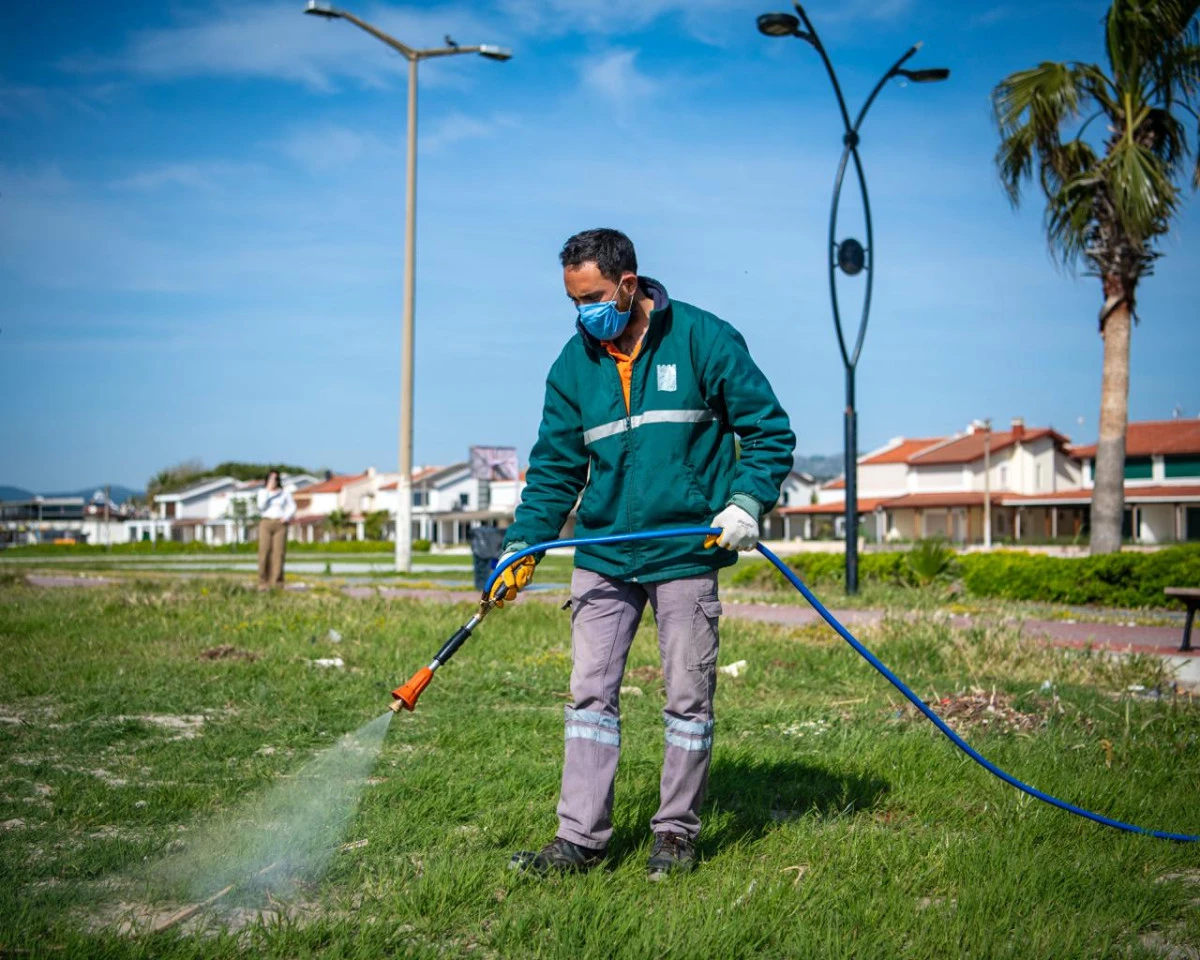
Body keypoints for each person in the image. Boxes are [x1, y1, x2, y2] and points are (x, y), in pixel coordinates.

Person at [497, 228, 795, 880]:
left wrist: (747, 502)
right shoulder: (574, 365)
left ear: (628, 284)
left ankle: (675, 835)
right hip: (603, 555)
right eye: (573, 302)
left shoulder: (702, 339)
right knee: (589, 698)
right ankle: (580, 840)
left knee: (687, 700)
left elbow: (768, 430)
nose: (584, 314)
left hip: (685, 551)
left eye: (593, 298)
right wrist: (524, 543)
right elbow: (554, 470)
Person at [256, 470, 296, 590]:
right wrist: (268, 491)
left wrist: (286, 517)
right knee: (264, 552)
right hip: (266, 522)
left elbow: (292, 506)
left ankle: (277, 583)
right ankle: (263, 582)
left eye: (275, 479)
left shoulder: (284, 493)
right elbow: (261, 506)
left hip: (280, 524)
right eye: (271, 479)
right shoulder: (262, 492)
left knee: (278, 554)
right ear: (267, 480)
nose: (273, 481)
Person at [469, 523, 506, 592]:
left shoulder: (479, 534)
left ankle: (484, 586)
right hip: (492, 554)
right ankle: (486, 586)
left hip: (487, 554)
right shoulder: (497, 535)